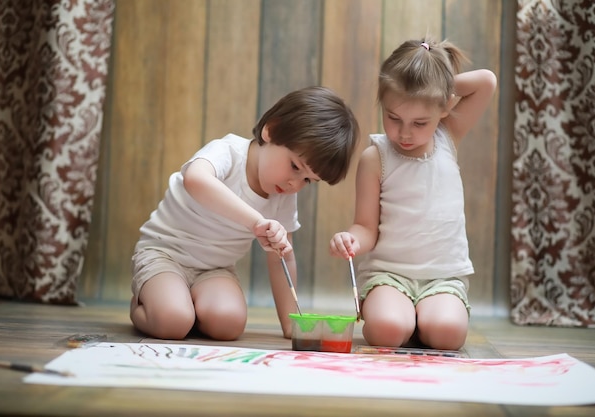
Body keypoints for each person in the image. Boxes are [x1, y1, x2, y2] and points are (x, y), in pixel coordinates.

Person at [130, 86, 360, 341]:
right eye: (295, 166)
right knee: (172, 321)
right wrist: (255, 221)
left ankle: (185, 307)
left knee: (228, 324)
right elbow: (195, 180)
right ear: (270, 130)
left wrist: (290, 324)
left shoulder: (283, 195)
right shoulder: (228, 152)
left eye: (308, 180)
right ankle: (145, 305)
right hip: (165, 255)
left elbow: (282, 259)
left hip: (215, 269)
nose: (295, 183)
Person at [329, 37, 497, 350]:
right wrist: (351, 240)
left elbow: (486, 81)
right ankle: (403, 316)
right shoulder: (375, 157)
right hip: (389, 275)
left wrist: (435, 85)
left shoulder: (448, 137)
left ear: (445, 108)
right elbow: (365, 227)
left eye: (420, 122)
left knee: (447, 334)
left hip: (442, 277)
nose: (405, 133)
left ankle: (425, 317)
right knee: (386, 330)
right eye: (393, 118)